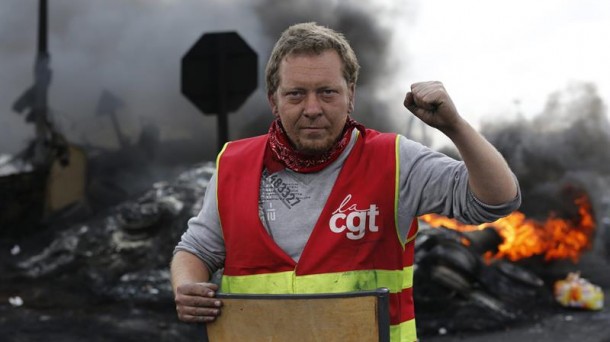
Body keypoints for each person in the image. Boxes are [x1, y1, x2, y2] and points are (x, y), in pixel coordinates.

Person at [171, 22, 520, 341]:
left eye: (327, 92)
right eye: (295, 94)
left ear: (350, 95)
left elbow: (497, 200)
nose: (312, 108)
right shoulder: (234, 164)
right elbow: (197, 248)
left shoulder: (394, 160)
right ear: (273, 101)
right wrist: (186, 285)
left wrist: (454, 125)